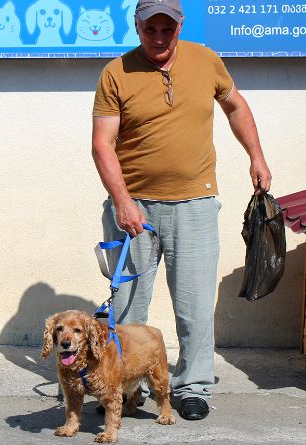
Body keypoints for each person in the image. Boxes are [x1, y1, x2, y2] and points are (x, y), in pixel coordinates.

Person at [90, 0, 272, 421]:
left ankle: (193, 386)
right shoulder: (116, 72)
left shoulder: (206, 60)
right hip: (133, 211)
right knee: (129, 309)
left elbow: (236, 106)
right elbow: (102, 144)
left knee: (192, 305)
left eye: (166, 29)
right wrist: (122, 201)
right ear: (136, 26)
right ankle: (123, 389)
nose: (158, 37)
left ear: (179, 26)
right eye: (150, 28)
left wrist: (256, 156)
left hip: (194, 203)